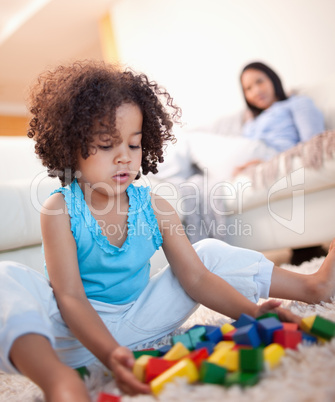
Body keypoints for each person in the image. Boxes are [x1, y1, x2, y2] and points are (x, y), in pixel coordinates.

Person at [0, 60, 334, 402]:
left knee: (206, 253)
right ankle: (58, 382)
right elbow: (69, 297)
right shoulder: (59, 210)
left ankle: (311, 286)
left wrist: (251, 314)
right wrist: (109, 353)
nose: (124, 158)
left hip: (141, 323)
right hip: (72, 339)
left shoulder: (156, 206)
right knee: (5, 276)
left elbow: (197, 279)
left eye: (133, 145)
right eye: (105, 145)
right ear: (70, 147)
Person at [233, 61, 325, 175]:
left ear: (272, 79)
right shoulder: (249, 124)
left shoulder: (297, 103)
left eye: (260, 81)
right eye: (248, 88)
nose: (256, 91)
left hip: (275, 160)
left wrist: (265, 162)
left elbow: (313, 144)